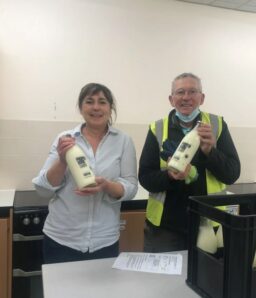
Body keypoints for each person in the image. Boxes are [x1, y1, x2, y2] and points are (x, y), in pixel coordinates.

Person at [33, 83, 138, 264]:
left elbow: (131, 187)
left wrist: (107, 186)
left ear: (110, 108)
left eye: (102, 102)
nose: (96, 107)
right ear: (81, 108)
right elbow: (43, 190)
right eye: (89, 102)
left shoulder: (123, 141)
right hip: (61, 239)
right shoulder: (65, 139)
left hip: (104, 241)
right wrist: (63, 160)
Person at [139, 73, 240, 252]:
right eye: (180, 92)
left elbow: (232, 174)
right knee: (161, 279)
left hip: (209, 223)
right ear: (171, 99)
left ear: (202, 98)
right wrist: (169, 176)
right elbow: (145, 178)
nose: (186, 97)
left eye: (192, 91)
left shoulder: (217, 125)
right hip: (165, 226)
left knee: (207, 277)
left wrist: (210, 152)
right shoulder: (157, 128)